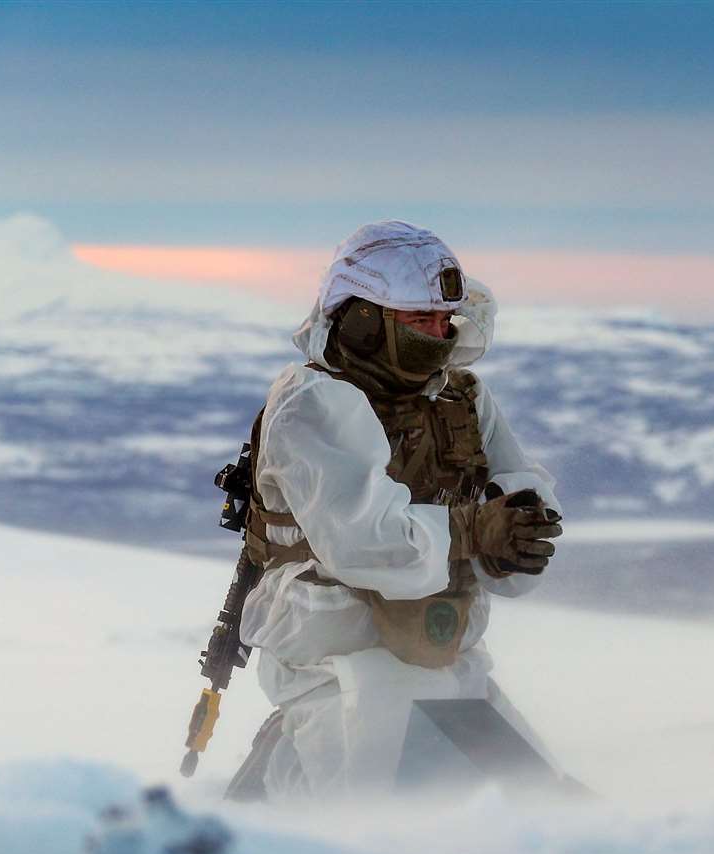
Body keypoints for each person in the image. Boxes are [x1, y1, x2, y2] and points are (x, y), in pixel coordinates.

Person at [236, 220, 565, 801]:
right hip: (340, 670)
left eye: (445, 321)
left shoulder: (459, 396)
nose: (439, 334)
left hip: (448, 661)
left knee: (541, 804)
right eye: (420, 321)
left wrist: (520, 533)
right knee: (372, 831)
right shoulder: (311, 403)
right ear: (363, 321)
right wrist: (472, 530)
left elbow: (516, 488)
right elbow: (364, 543)